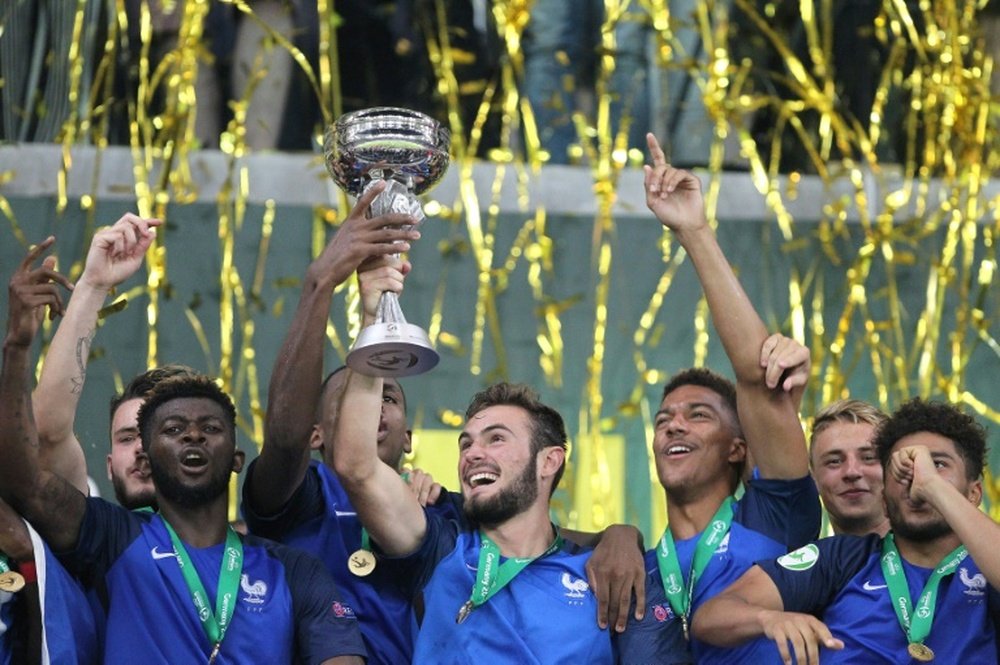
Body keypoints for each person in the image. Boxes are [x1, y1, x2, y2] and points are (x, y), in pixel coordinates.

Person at [1, 239, 366, 664]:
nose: (193, 435)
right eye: (173, 429)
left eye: (210, 428)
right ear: (148, 458)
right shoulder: (111, 539)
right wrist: (17, 348)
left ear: (236, 458)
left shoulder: (293, 570)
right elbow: (26, 479)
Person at [616, 133, 821, 663]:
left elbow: (759, 379)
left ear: (737, 446)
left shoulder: (774, 518)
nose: (673, 426)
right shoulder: (632, 571)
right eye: (664, 420)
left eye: (697, 415)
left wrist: (694, 231)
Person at [692, 398, 1000, 665]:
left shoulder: (984, 566)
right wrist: (767, 618)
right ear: (884, 494)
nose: (916, 479)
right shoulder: (842, 558)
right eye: (903, 469)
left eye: (938, 464)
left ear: (974, 493)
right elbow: (711, 616)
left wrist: (934, 487)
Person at [31, 212, 163, 505]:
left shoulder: (250, 548)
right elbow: (48, 431)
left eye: (159, 432)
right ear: (109, 467)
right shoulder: (97, 538)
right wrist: (93, 285)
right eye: (126, 438)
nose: (141, 448)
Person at [810, 399, 889, 536]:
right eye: (834, 461)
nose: (852, 472)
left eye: (868, 458)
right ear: (813, 477)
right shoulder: (795, 555)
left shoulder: (934, 555)